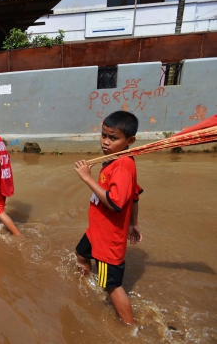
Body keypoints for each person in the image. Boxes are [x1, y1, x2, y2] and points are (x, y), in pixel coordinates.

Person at [73, 111, 143, 325]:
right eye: (103, 135)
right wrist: (134, 223)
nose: (105, 142)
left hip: (108, 239)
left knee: (112, 285)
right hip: (96, 230)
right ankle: (85, 288)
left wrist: (86, 178)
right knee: (81, 254)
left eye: (113, 138)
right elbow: (135, 195)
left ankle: (131, 328)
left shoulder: (123, 165)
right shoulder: (115, 159)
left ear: (130, 141)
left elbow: (115, 202)